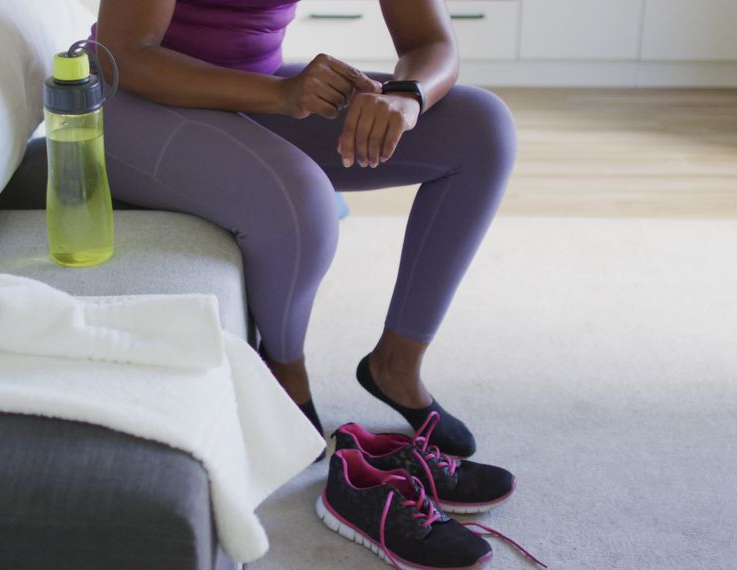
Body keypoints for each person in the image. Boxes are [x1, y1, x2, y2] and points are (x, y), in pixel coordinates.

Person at [93, 0, 516, 457]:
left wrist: (406, 95)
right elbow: (127, 54)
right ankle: (282, 368)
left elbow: (430, 41)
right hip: (133, 102)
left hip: (254, 91)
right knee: (308, 200)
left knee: (483, 130)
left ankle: (396, 364)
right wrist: (283, 95)